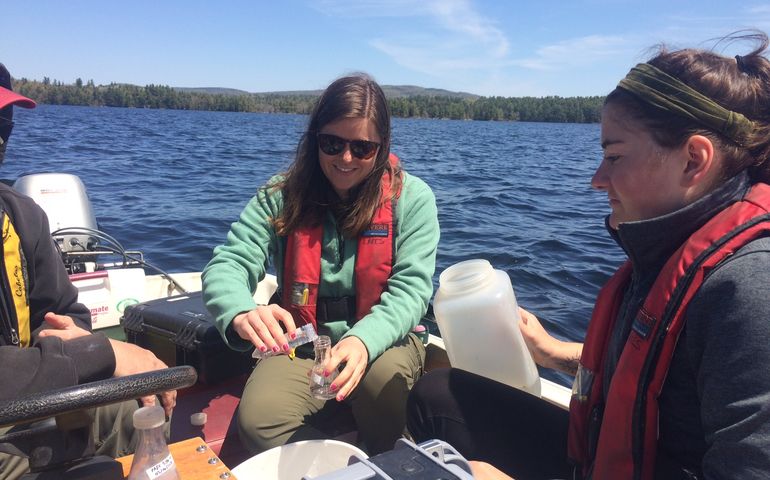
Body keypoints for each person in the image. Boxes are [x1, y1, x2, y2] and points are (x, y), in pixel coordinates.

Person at [407, 31, 770, 480]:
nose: (597, 180)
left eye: (614, 156)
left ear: (694, 160)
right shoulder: (667, 248)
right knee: (438, 395)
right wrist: (554, 352)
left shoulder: (750, 288)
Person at [202, 73, 439, 455]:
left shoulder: (413, 199)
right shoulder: (279, 195)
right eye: (332, 144)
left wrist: (363, 341)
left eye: (362, 148)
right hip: (303, 343)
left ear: (381, 147)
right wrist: (240, 312)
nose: (345, 159)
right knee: (259, 421)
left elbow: (412, 291)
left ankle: (389, 457)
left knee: (382, 382)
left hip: (384, 341)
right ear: (315, 140)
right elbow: (228, 263)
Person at [0, 63, 176, 480]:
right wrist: (103, 352)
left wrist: (68, 352)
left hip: (35, 396)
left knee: (144, 407)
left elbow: (67, 316)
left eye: (2, 119)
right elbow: (84, 345)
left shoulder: (21, 216)